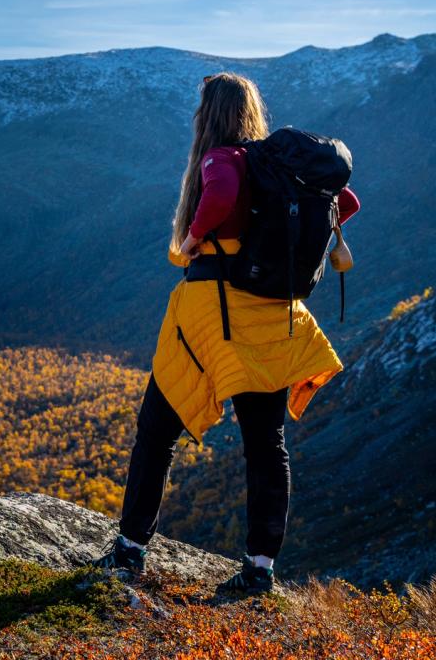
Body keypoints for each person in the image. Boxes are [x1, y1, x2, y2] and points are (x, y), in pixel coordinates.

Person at [92, 72, 360, 596]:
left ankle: (129, 551)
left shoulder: (223, 159)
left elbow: (218, 196)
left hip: (212, 319)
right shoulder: (278, 167)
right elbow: (345, 203)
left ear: (207, 115)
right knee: (266, 444)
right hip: (272, 319)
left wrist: (192, 239)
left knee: (157, 433)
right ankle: (259, 567)